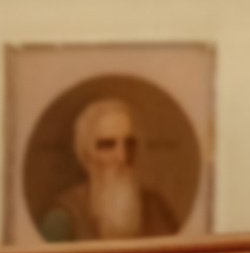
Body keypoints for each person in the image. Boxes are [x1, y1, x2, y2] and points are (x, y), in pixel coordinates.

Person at [37, 97, 179, 244]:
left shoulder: (156, 207)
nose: (122, 157)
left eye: (129, 143)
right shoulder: (63, 218)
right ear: (86, 154)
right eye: (107, 144)